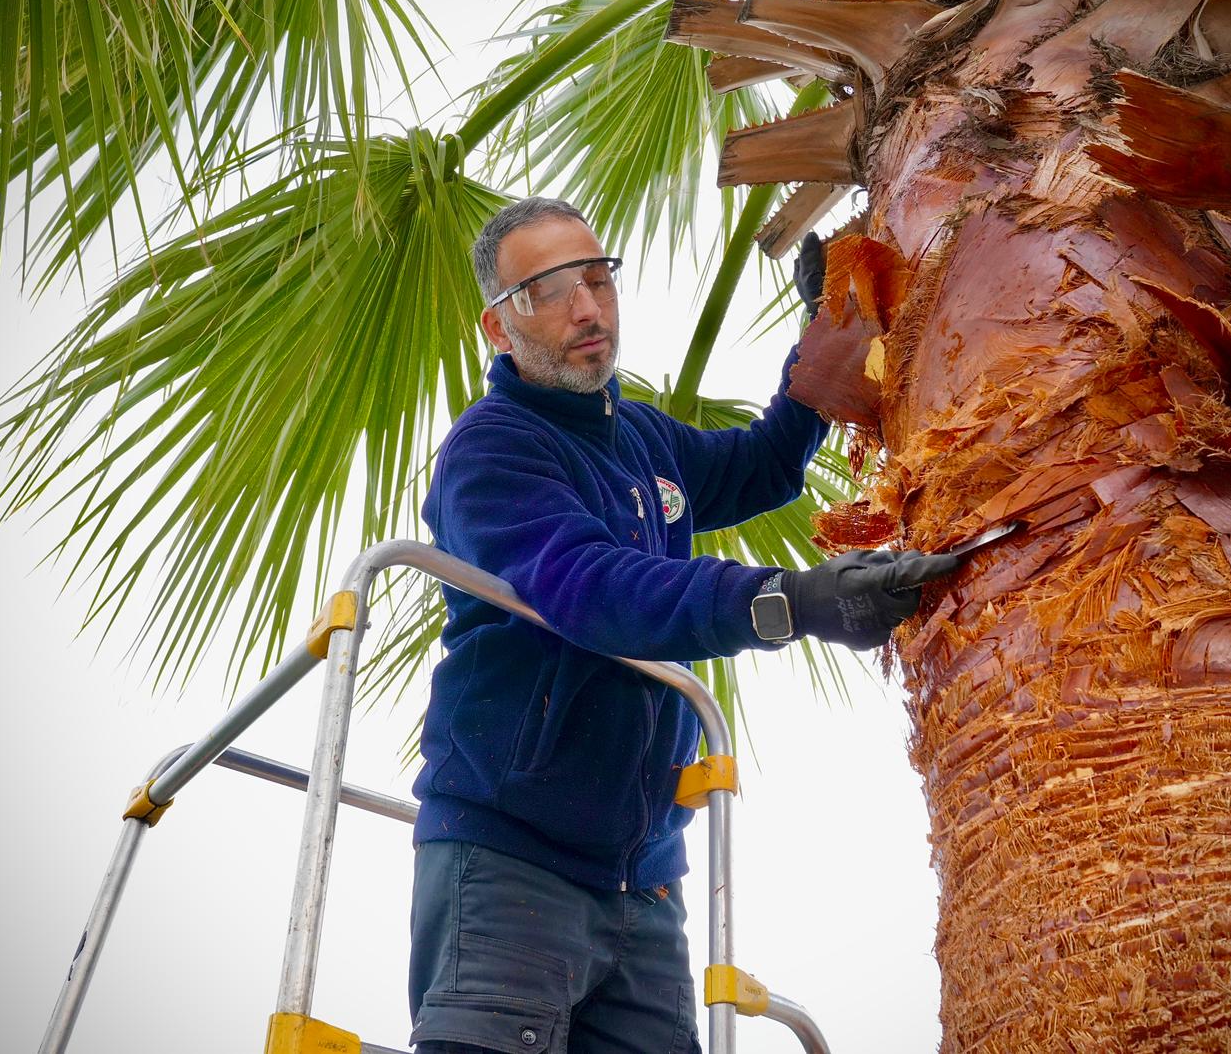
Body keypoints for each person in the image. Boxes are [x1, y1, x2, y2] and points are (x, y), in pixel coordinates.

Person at [408, 196, 955, 1054]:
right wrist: (792, 600)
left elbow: (764, 466)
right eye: (551, 290)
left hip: (644, 884)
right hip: (509, 859)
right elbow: (592, 588)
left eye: (598, 279)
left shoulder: (642, 440)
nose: (588, 308)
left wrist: (819, 334)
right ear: (498, 325)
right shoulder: (492, 449)